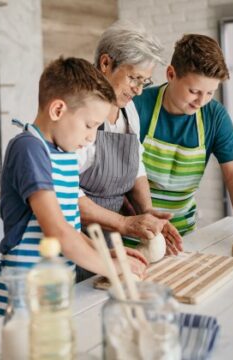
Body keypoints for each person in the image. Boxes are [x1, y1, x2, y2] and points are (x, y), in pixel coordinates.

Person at [0, 57, 147, 322]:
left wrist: (104, 253)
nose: (92, 137)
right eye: (90, 125)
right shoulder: (29, 148)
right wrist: (112, 266)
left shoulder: (64, 154)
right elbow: (58, 232)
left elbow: (70, 229)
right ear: (58, 110)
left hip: (52, 300)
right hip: (20, 305)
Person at [134, 34, 233, 252]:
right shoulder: (137, 106)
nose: (201, 101)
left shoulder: (214, 116)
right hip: (135, 234)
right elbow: (121, 179)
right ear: (171, 74)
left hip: (183, 235)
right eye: (194, 91)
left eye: (210, 93)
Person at [77, 22, 182, 260]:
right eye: (134, 78)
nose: (138, 90)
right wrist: (124, 222)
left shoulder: (128, 110)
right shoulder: (80, 110)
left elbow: (136, 165)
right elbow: (65, 192)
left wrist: (147, 212)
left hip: (109, 239)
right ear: (106, 63)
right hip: (75, 240)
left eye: (144, 82)